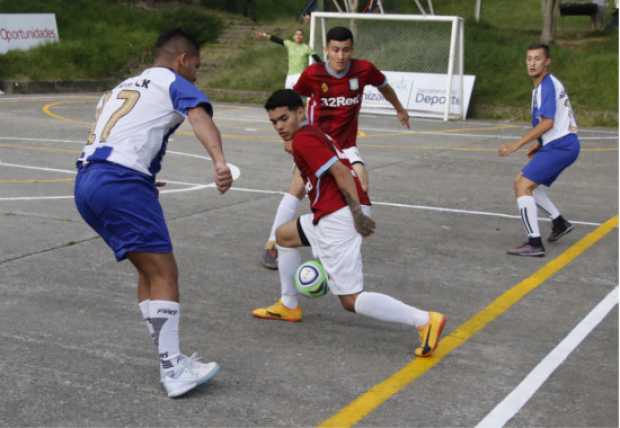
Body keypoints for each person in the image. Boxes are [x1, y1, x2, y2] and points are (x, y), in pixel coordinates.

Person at [74, 29, 233, 398]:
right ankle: (174, 369)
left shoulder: (124, 85)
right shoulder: (173, 81)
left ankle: (170, 359)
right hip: (120, 182)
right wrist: (220, 162)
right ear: (183, 60)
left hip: (89, 180)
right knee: (164, 271)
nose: (197, 72)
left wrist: (141, 178)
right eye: (198, 65)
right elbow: (199, 116)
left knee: (148, 270)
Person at [252, 89, 446, 358]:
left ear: (300, 112)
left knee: (350, 300)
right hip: (332, 212)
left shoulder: (304, 141)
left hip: (340, 215)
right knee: (284, 235)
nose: (279, 126)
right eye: (274, 122)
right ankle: (289, 304)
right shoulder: (311, 135)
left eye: (284, 118)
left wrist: (358, 216)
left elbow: (342, 172)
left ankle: (424, 320)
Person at [260, 26, 410, 269]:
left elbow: (384, 86)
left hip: (346, 144)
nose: (341, 56)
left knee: (361, 184)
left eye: (346, 50)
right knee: (297, 188)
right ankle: (271, 245)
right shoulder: (313, 74)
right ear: (326, 50)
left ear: (352, 50)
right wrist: (289, 139)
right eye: (335, 50)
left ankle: (340, 246)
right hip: (317, 142)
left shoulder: (364, 70)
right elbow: (290, 103)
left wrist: (400, 109)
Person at [498, 43, 579, 257]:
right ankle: (559, 222)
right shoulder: (544, 85)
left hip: (561, 146)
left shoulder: (546, 86)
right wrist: (540, 145)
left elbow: (548, 122)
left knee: (521, 185)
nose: (532, 63)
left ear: (547, 62)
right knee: (533, 186)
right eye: (529, 59)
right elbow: (557, 121)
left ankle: (534, 243)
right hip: (562, 144)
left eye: (537, 59)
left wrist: (516, 145)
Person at [255, 29, 322, 88]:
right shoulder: (290, 44)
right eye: (296, 34)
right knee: (288, 95)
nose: (298, 36)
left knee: (298, 95)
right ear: (294, 37)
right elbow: (277, 40)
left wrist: (324, 69)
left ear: (303, 37)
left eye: (300, 35)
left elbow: (317, 58)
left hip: (301, 75)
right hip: (290, 75)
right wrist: (264, 34)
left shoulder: (306, 48)